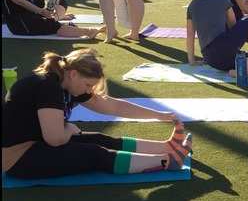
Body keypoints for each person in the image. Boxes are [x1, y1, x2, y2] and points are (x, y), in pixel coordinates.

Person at [2, 49, 192, 179]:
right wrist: (68, 127)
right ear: (74, 74)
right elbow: (55, 139)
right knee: (93, 153)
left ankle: (166, 147)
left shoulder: (67, 83)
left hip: (36, 144)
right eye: (88, 85)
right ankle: (167, 161)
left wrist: (158, 115)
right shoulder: (48, 86)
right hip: (16, 158)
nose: (89, 90)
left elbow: (114, 107)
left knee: (99, 138)